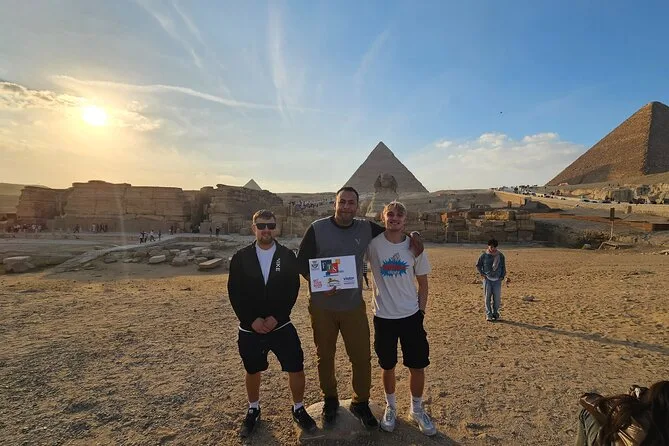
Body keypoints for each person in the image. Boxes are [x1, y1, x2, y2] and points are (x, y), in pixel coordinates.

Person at [297, 186, 422, 429]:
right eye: (342, 202)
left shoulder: (365, 228)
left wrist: (415, 235)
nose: (346, 206)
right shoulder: (317, 228)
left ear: (357, 206)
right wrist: (317, 282)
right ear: (335, 203)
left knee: (362, 357)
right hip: (322, 306)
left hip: (352, 305)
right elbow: (301, 262)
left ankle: (360, 401)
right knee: (325, 356)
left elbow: (393, 229)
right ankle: (330, 399)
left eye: (351, 202)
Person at [228, 209, 317, 438]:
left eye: (270, 225)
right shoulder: (241, 257)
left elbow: (292, 288)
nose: (266, 230)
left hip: (280, 323)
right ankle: (253, 408)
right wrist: (251, 320)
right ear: (254, 228)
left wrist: (277, 316)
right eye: (261, 226)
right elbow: (235, 292)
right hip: (251, 326)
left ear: (276, 228)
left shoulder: (286, 256)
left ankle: (298, 408)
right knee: (252, 369)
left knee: (295, 366)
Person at [367, 201, 436, 436]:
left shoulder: (414, 247)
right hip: (383, 316)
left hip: (410, 316)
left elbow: (423, 285)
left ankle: (416, 409)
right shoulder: (373, 245)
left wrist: (421, 313)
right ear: (382, 216)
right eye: (390, 214)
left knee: (417, 365)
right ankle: (391, 407)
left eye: (399, 215)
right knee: (387, 365)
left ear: (405, 220)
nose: (394, 218)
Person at [575, 381, 669, 445]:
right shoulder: (663, 428)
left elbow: (590, 401)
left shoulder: (634, 419)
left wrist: (631, 399)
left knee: (586, 412)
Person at [476, 238, 506, 322]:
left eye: (494, 247)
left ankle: (496, 314)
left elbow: (503, 266)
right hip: (487, 279)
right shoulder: (484, 255)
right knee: (487, 298)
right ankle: (489, 314)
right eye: (491, 247)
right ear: (488, 246)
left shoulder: (500, 256)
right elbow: (478, 265)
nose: (493, 249)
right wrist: (482, 274)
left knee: (497, 299)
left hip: (497, 280)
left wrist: (502, 276)